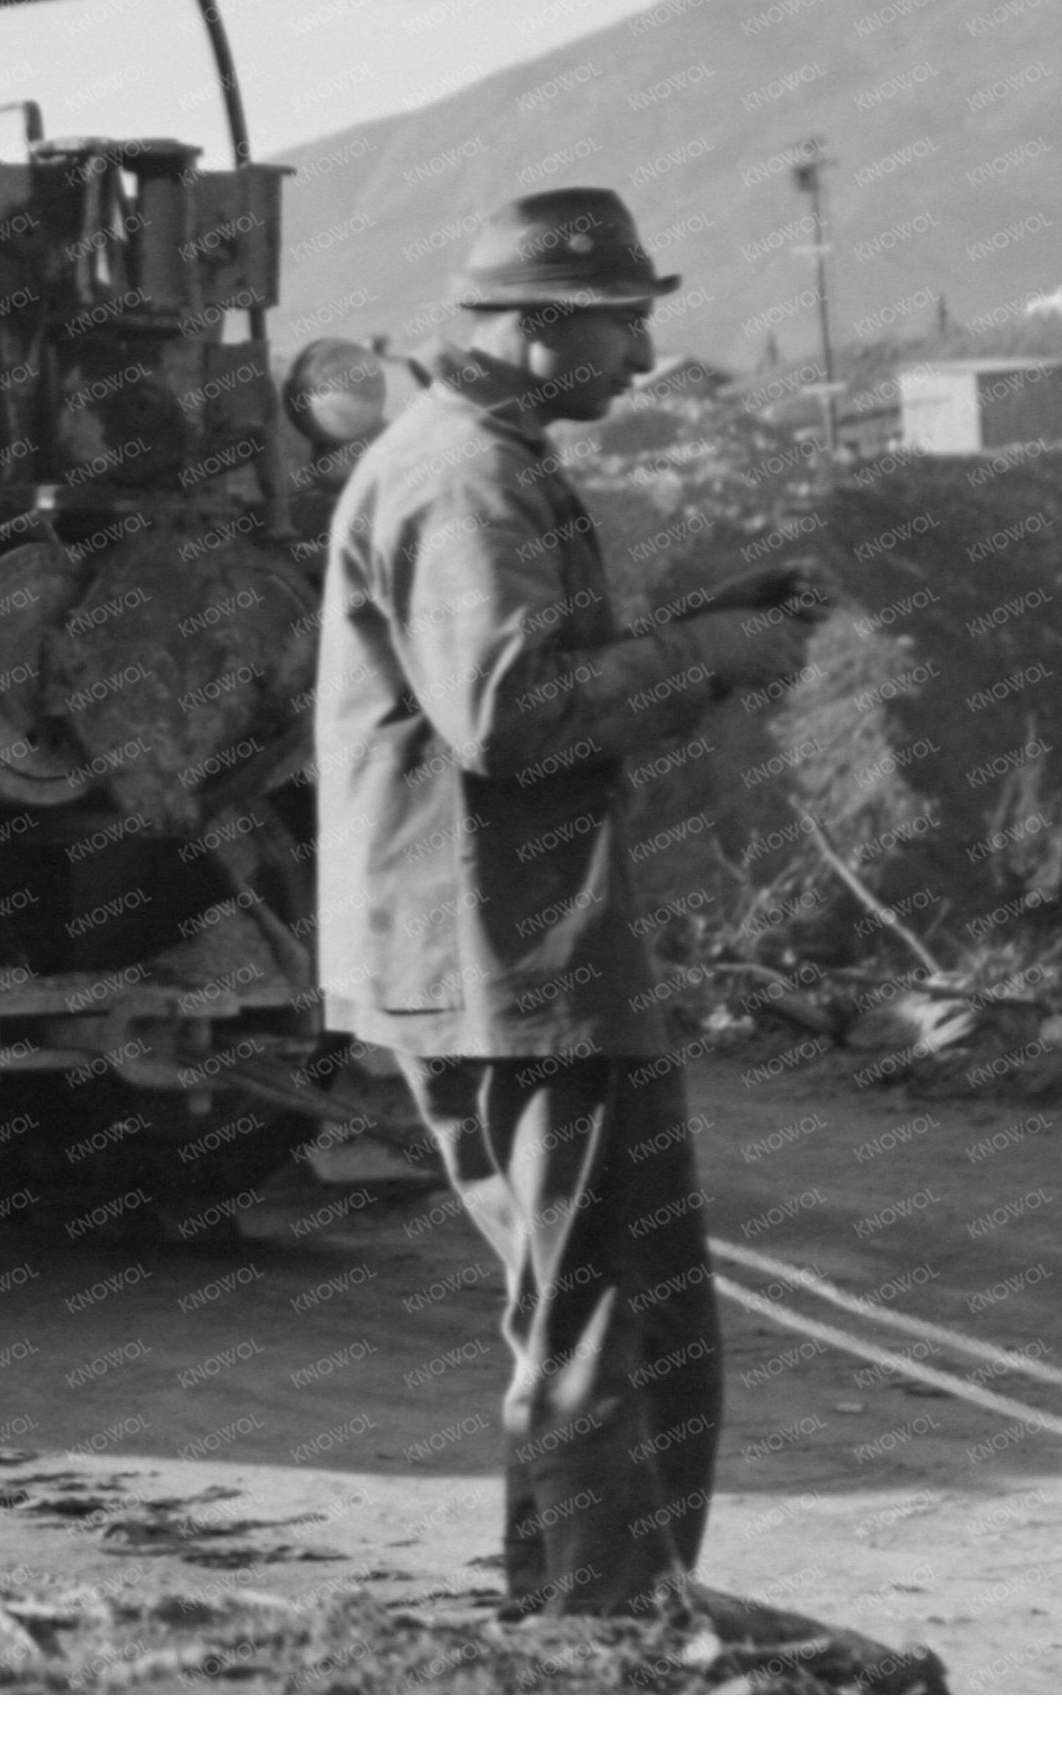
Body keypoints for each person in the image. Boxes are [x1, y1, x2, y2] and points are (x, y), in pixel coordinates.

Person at [313, 188, 815, 1626]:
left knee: (590, 1290)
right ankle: (610, 1623)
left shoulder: (468, 456)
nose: (644, 358)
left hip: (498, 940)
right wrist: (709, 652)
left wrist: (695, 633)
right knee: (616, 1299)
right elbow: (513, 719)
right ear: (538, 327)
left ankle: (581, 1607)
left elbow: (512, 688)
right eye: (624, 326)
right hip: (504, 951)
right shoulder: (467, 475)